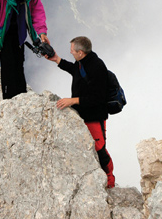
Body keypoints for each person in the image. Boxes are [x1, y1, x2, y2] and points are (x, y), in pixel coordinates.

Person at [46, 36, 115, 188]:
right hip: (83, 114)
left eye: (72, 50)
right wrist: (57, 59)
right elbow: (75, 71)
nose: (70, 52)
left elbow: (97, 98)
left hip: (94, 116)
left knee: (99, 149)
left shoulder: (97, 67)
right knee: (89, 148)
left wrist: (73, 100)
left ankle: (110, 181)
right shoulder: (83, 62)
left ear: (81, 52)